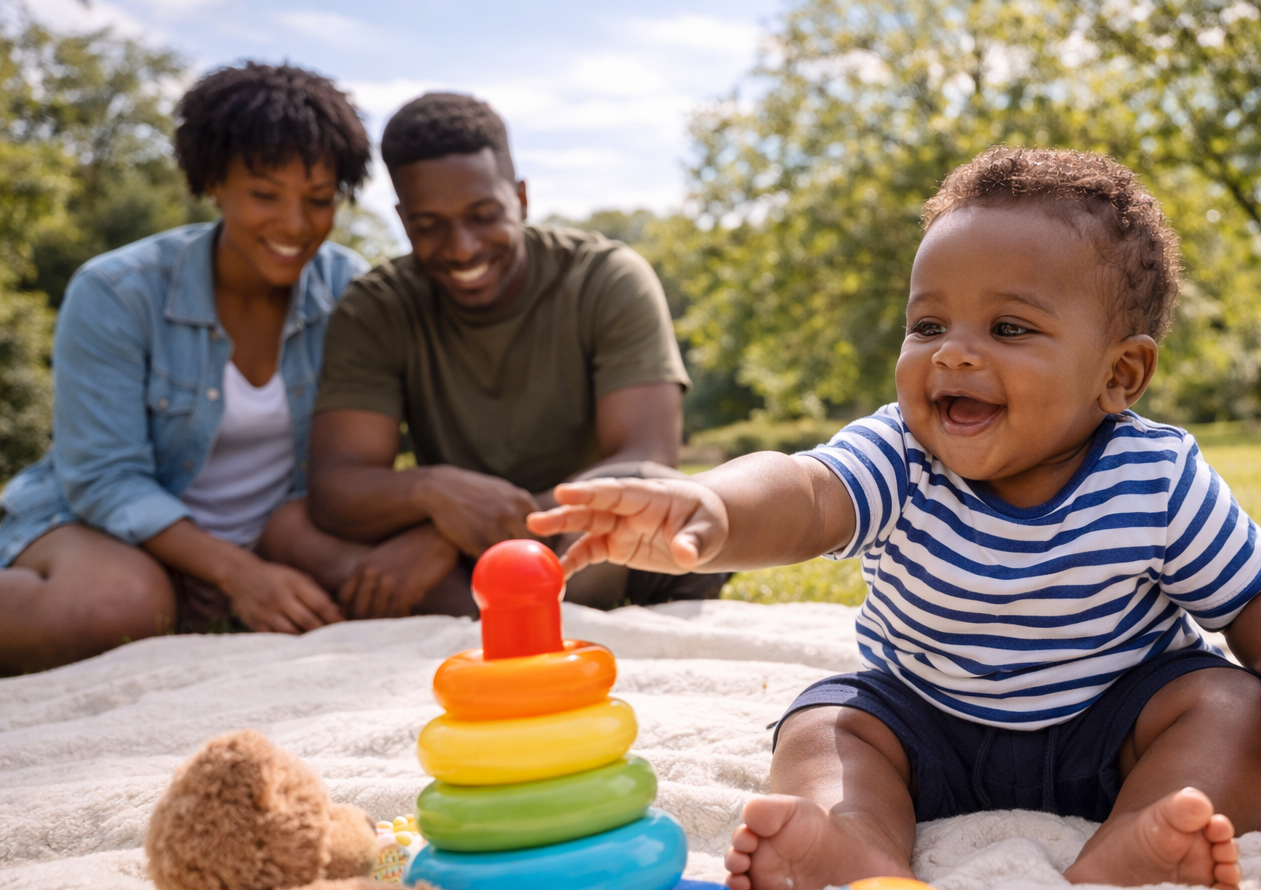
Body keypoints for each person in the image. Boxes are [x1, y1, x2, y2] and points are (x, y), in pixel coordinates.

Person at [527, 148, 1261, 890]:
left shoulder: (1156, 477)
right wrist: (711, 506)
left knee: (1234, 708)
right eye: (928, 323)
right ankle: (859, 843)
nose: (954, 352)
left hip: (1112, 726)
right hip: (922, 722)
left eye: (1009, 326)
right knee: (826, 723)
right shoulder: (901, 452)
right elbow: (806, 491)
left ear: (1121, 375)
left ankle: (1145, 834)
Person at [0, 63, 374, 675]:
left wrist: (254, 562)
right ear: (212, 184)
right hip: (100, 531)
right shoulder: (118, 292)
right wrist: (232, 570)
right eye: (264, 196)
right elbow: (102, 478)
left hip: (277, 538)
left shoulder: (351, 291)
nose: (295, 226)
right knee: (122, 604)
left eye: (318, 200)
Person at [295, 92, 726, 617]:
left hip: (586, 541)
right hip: (464, 550)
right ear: (403, 221)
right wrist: (433, 491)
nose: (462, 248)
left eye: (483, 215)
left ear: (520, 198)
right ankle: (505, 609)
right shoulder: (377, 306)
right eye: (430, 225)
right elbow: (337, 488)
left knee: (646, 491)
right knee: (287, 528)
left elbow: (647, 458)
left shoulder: (606, 278)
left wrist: (449, 538)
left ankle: (480, 609)